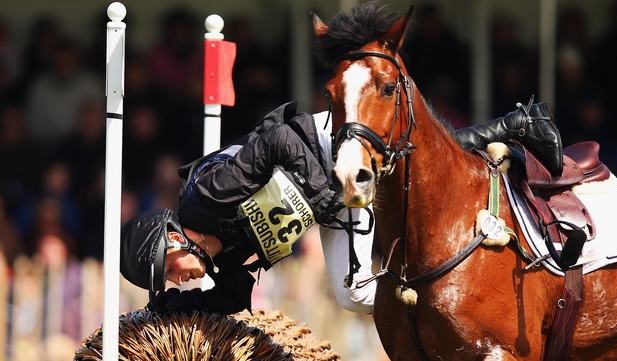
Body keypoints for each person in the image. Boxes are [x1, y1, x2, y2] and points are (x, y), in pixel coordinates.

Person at [120, 97, 562, 315]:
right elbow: (233, 299)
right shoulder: (221, 258)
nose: (176, 280)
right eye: (169, 282)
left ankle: (518, 123)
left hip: (323, 144)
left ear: (173, 237)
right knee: (354, 297)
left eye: (168, 270)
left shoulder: (208, 196)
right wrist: (165, 308)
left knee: (414, 168)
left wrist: (327, 190)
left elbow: (281, 140)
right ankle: (437, 302)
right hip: (328, 203)